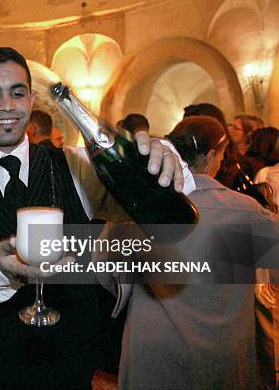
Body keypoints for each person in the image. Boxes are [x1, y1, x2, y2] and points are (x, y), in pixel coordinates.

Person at [0, 47, 188, 390]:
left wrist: (163, 161)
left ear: (32, 101)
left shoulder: (76, 165)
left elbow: (157, 213)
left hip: (67, 361)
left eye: (17, 93)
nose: (6, 105)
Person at [104, 116, 279, 390]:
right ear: (211, 156)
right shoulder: (247, 212)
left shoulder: (139, 209)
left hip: (154, 353)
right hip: (223, 352)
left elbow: (104, 271)